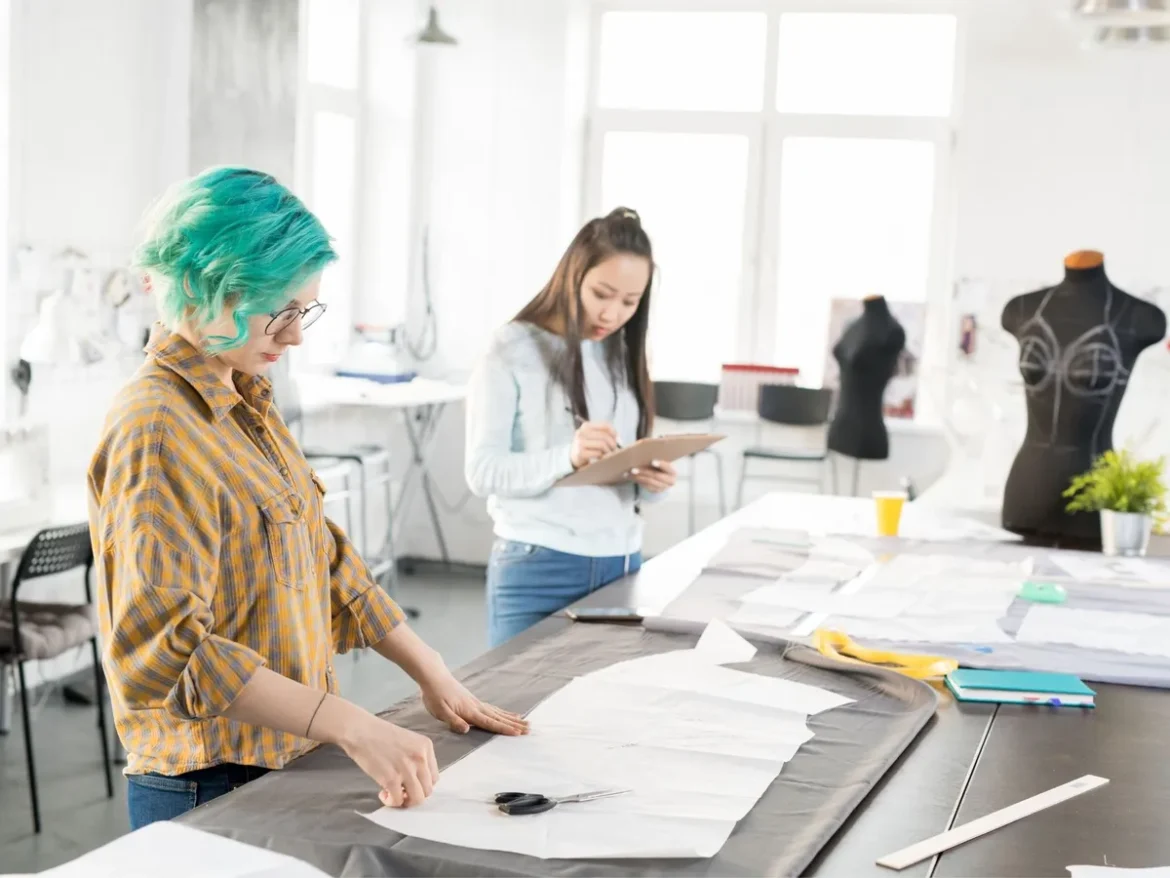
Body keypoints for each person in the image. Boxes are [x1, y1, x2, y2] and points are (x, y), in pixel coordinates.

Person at [88, 167, 527, 830]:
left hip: (278, 760)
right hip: (208, 783)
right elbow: (164, 654)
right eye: (283, 311)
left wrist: (430, 670)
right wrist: (350, 725)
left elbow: (323, 558)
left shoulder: (247, 398)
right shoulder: (156, 427)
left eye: (305, 311)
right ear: (216, 288)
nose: (296, 335)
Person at [464, 207, 676, 647]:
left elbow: (624, 474)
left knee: (600, 713)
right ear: (573, 276)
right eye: (602, 293)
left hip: (621, 564)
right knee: (516, 709)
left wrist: (653, 482)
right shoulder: (513, 347)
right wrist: (567, 457)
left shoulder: (623, 353)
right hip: (538, 567)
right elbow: (482, 471)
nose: (613, 313)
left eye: (629, 302)